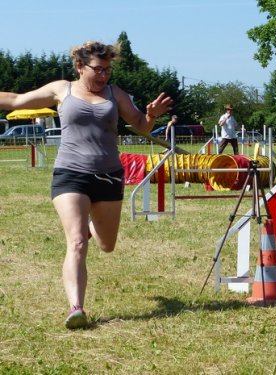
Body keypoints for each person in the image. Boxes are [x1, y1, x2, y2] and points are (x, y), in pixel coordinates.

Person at [0, 41, 173, 329]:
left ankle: (90, 229)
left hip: (108, 176)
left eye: (107, 70)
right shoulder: (61, 90)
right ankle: (76, 308)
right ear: (80, 67)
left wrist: (153, 114)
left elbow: (141, 125)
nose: (103, 75)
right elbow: (17, 100)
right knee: (77, 241)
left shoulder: (115, 94)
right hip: (70, 174)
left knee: (106, 245)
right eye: (98, 69)